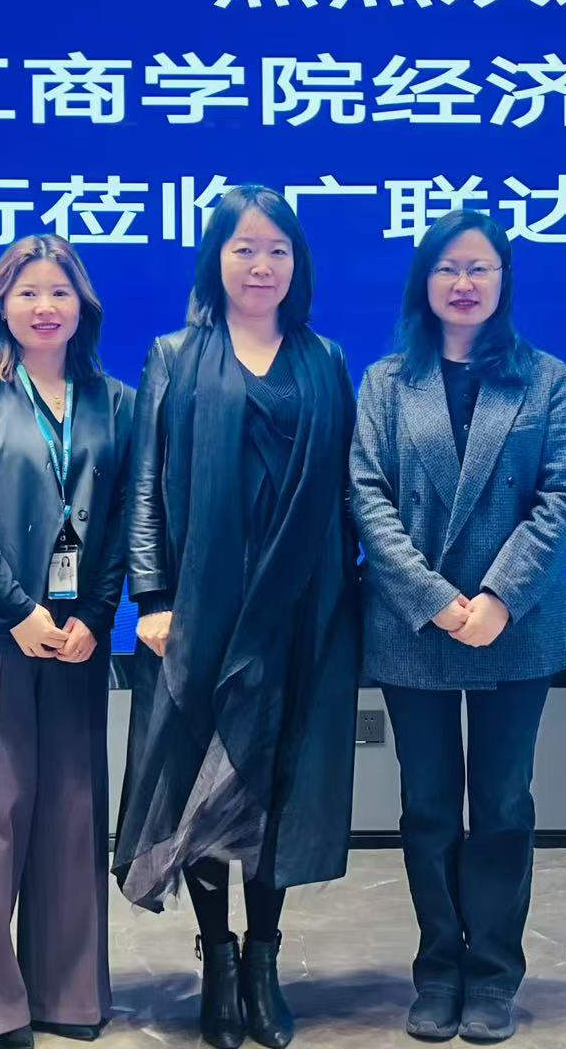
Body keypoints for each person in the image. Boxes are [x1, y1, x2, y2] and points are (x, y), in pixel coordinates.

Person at [114, 186, 362, 1049]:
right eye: (244, 249)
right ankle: (217, 958)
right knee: (201, 783)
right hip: (201, 614)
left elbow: (347, 490)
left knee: (277, 783)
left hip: (301, 611)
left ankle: (263, 959)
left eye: (277, 251)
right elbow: (146, 485)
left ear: (298, 264)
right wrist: (153, 597)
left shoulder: (325, 360)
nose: (261, 266)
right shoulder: (174, 356)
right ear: (215, 259)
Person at [348, 211, 566, 1045]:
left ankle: (491, 974)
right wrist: (434, 599)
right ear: (425, 281)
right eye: (448, 268)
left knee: (503, 804)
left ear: (503, 281)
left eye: (480, 268)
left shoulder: (543, 377)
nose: (464, 283)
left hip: (515, 625)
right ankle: (438, 969)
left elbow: (560, 496)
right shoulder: (386, 382)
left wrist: (497, 599)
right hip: (414, 624)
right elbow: (366, 496)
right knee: (428, 807)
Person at [0, 235, 135, 1044]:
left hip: (76, 639)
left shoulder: (116, 402)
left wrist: (96, 617)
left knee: (73, 818)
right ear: (0, 306)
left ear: (83, 306)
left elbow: (124, 519)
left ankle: (68, 995)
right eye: (27, 293)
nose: (44, 307)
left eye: (59, 292)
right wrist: (20, 613)